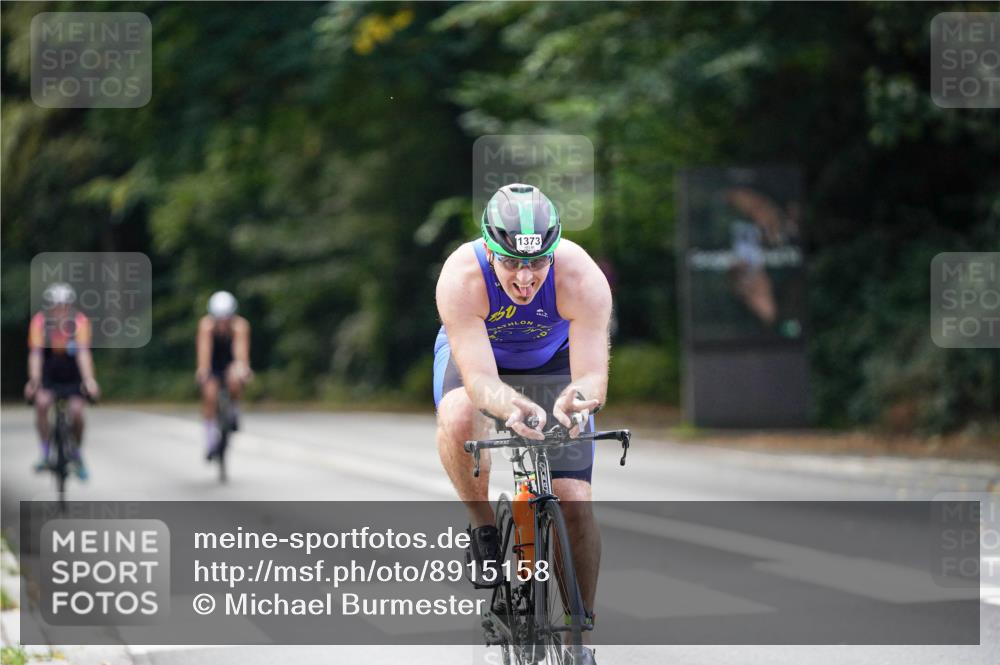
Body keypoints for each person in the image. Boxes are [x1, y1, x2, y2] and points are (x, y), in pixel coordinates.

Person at [434, 184, 612, 664]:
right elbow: (478, 379)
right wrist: (509, 405)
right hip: (482, 364)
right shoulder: (461, 276)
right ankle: (484, 530)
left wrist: (580, 399)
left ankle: (581, 635)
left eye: (536, 262)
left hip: (552, 365)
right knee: (457, 416)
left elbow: (592, 373)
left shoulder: (581, 276)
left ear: (553, 252)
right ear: (490, 250)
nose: (525, 277)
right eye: (511, 262)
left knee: (574, 499)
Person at [24, 282, 101, 479]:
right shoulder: (39, 322)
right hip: (49, 370)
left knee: (76, 412)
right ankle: (44, 451)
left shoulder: (80, 322)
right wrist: (34, 381)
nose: (60, 311)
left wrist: (89, 380)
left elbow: (83, 354)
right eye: (56, 307)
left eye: (64, 306)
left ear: (70, 307)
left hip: (73, 371)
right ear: (49, 307)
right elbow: (36, 355)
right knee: (41, 404)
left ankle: (76, 453)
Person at [195, 291, 252, 460]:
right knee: (209, 395)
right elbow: (204, 350)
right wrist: (203, 370)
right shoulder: (206, 326)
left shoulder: (240, 326)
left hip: (230, 360)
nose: (222, 322)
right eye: (219, 318)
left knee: (235, 379)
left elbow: (240, 351)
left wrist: (241, 368)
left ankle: (234, 410)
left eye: (226, 318)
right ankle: (210, 441)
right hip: (213, 361)